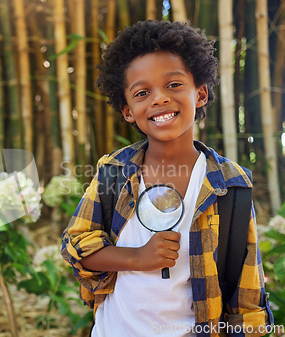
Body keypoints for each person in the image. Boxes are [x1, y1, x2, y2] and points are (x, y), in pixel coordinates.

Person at [61, 20, 273, 337]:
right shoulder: (113, 173)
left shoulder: (230, 186)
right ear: (128, 110)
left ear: (200, 93)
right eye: (143, 92)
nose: (159, 99)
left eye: (173, 85)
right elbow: (76, 246)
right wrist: (137, 257)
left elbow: (247, 295)